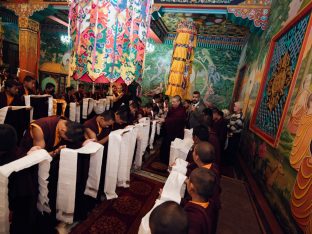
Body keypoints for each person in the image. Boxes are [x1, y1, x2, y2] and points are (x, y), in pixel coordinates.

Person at [184, 168, 217, 234]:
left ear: (191, 186)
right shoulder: (210, 203)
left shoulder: (193, 219)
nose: (187, 181)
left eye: (189, 180)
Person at [160, 95, 186, 164]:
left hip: (176, 133)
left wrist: (165, 120)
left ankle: (169, 161)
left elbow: (176, 120)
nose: (172, 103)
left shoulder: (182, 110)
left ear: (179, 102)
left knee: (171, 148)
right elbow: (170, 115)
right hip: (169, 131)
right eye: (172, 102)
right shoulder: (173, 108)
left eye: (174, 102)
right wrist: (165, 115)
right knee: (165, 146)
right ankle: (164, 160)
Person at [290, 93, 312, 171]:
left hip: (307, 137)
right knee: (298, 146)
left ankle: (299, 165)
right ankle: (296, 163)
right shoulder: (305, 112)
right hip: (301, 134)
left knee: (304, 148)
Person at [225, 101, 244, 166]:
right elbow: (229, 124)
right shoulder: (234, 115)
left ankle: (229, 165)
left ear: (239, 108)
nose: (234, 107)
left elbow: (233, 128)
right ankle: (226, 162)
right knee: (228, 149)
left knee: (232, 149)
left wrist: (228, 127)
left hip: (235, 136)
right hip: (231, 134)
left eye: (235, 106)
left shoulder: (240, 117)